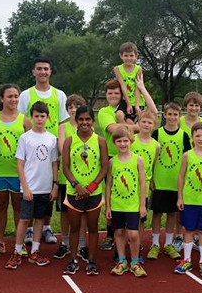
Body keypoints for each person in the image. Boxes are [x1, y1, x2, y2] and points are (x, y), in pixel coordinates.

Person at [97, 78, 157, 252]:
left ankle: (135, 242)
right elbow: (115, 130)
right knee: (115, 198)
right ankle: (112, 236)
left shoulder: (129, 109)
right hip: (113, 157)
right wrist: (136, 125)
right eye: (110, 93)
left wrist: (142, 88)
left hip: (132, 159)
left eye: (117, 92)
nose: (114, 95)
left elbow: (152, 113)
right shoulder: (104, 111)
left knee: (134, 199)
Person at [18, 57, 69, 245]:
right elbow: (21, 120)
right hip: (31, 146)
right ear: (33, 72)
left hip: (51, 146)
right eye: (39, 69)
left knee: (48, 187)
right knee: (32, 184)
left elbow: (63, 123)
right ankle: (30, 230)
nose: (43, 72)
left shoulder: (59, 95)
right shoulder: (25, 95)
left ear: (50, 71)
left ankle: (46, 227)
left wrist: (61, 146)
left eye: (46, 69)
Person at [5, 102, 59, 269]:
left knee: (40, 219)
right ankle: (17, 251)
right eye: (36, 116)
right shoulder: (25, 137)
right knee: (24, 219)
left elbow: (54, 163)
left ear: (48, 118)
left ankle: (35, 251)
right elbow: (20, 165)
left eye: (43, 116)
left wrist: (55, 185)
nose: (39, 119)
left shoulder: (51, 138)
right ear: (31, 117)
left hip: (45, 188)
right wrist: (25, 187)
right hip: (30, 188)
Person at [62, 106, 109, 275]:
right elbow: (65, 167)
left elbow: (104, 167)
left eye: (88, 119)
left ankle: (91, 260)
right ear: (76, 120)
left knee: (93, 227)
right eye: (81, 119)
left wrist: (91, 187)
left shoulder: (100, 141)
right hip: (74, 191)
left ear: (92, 121)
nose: (84, 122)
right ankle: (73, 259)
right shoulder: (69, 140)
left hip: (93, 193)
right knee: (74, 228)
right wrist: (77, 185)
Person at [0, 84, 31, 257]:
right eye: (9, 96)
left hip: (18, 172)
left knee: (18, 208)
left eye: (16, 96)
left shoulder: (25, 120)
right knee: (1, 206)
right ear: (1, 98)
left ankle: (19, 243)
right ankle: (0, 242)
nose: (13, 100)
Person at [174, 122, 202, 277]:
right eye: (197, 135)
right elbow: (180, 176)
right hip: (189, 200)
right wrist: (180, 197)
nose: (201, 138)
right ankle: (186, 259)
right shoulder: (187, 155)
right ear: (192, 137)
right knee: (189, 230)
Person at [147, 102, 191, 260]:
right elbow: (151, 158)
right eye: (169, 114)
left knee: (172, 214)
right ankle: (155, 243)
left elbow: (188, 160)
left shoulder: (184, 136)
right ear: (164, 115)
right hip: (160, 180)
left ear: (179, 117)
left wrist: (184, 180)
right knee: (157, 213)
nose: (172, 117)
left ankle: (168, 244)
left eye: (175, 115)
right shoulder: (157, 134)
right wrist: (151, 177)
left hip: (175, 181)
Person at [106, 125, 148, 277]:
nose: (122, 144)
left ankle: (135, 262)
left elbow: (143, 183)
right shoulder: (112, 162)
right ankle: (122, 260)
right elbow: (109, 184)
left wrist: (142, 204)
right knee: (118, 232)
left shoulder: (138, 160)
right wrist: (108, 206)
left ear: (131, 141)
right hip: (117, 204)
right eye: (119, 141)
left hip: (133, 205)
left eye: (125, 141)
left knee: (133, 234)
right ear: (114, 143)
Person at [55, 94, 89, 261]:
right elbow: (62, 148)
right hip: (66, 178)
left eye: (77, 107)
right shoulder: (63, 127)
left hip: (84, 177)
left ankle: (82, 244)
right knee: (65, 211)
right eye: (70, 107)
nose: (73, 110)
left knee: (82, 213)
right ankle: (65, 242)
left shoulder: (87, 128)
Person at [131, 109, 160, 263]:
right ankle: (121, 249)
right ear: (138, 123)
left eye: (149, 122)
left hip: (144, 186)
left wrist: (152, 179)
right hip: (128, 185)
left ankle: (139, 246)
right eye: (143, 121)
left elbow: (153, 165)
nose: (146, 125)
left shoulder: (156, 145)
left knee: (141, 218)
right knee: (126, 218)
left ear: (153, 125)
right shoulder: (131, 140)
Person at [113, 42, 144, 124]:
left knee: (130, 122)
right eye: (126, 55)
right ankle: (124, 133)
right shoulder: (117, 69)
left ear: (136, 56)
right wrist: (129, 104)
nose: (128, 58)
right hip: (125, 100)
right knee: (119, 115)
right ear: (121, 56)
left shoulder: (138, 69)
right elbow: (123, 86)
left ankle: (130, 135)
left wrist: (137, 105)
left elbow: (138, 88)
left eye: (131, 55)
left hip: (138, 101)